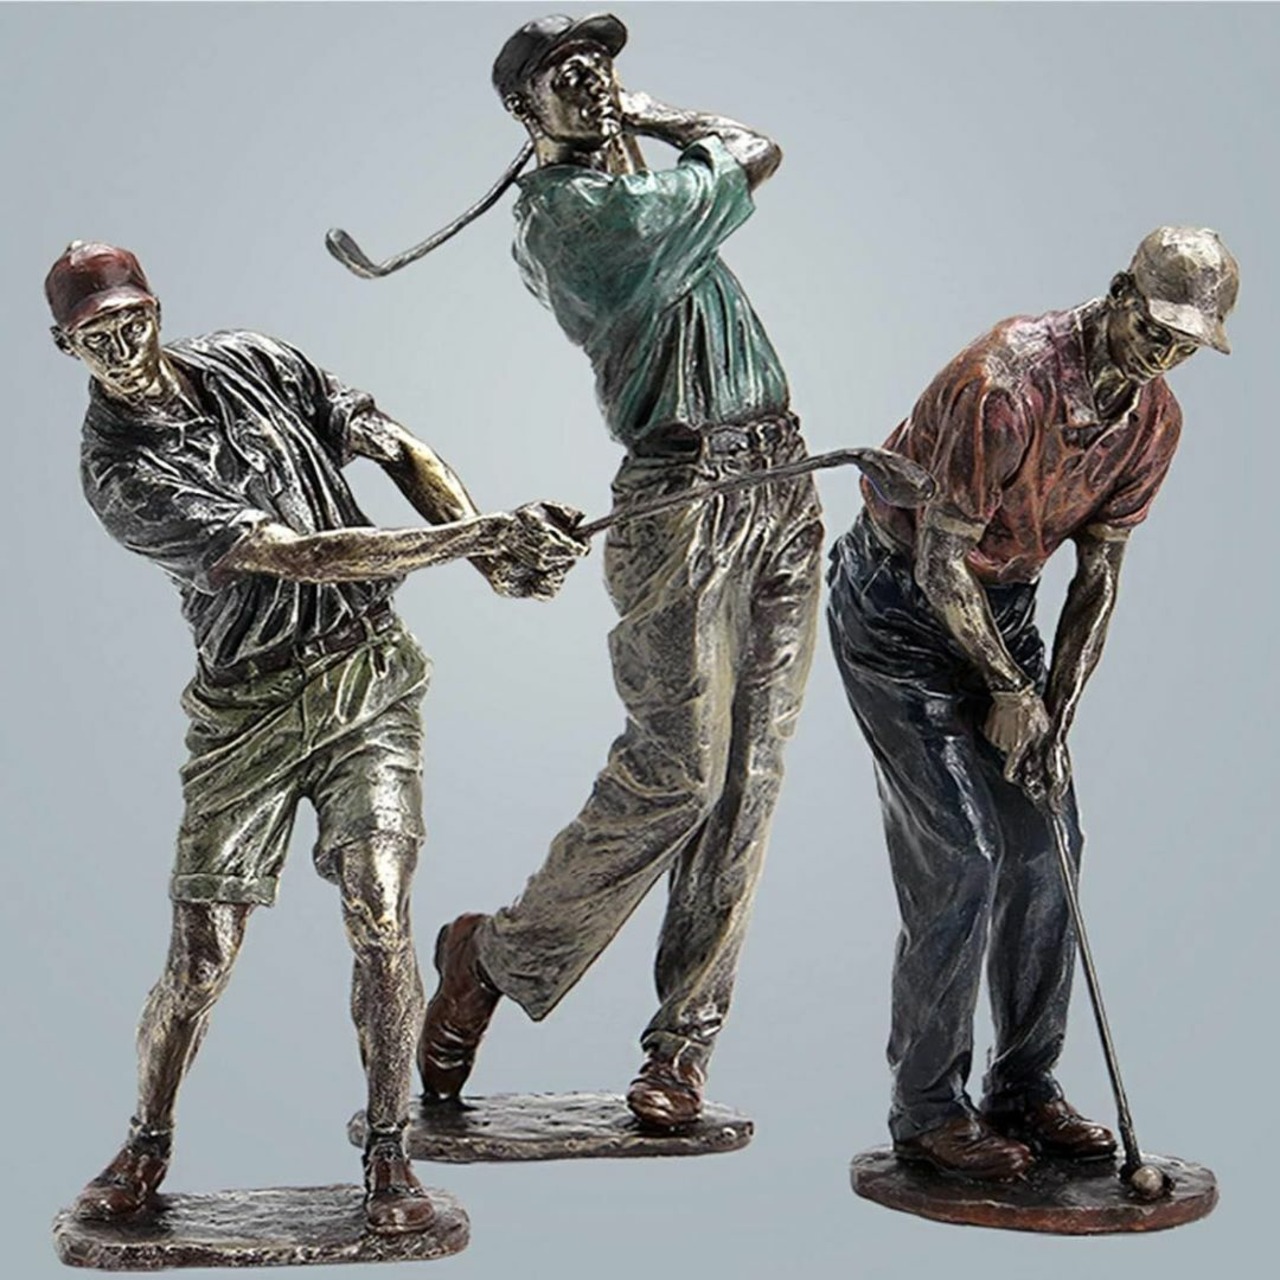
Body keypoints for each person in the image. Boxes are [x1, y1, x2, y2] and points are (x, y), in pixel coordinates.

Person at [47, 240, 587, 1231]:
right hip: (245, 713)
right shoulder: (118, 471)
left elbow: (395, 446)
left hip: (367, 680)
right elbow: (299, 556)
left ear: (155, 309)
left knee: (380, 912)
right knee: (201, 956)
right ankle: (146, 1140)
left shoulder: (256, 359)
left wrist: (489, 554)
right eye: (94, 335)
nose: (119, 345)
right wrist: (480, 537)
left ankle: (388, 1149)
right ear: (66, 347)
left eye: (129, 320)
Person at [418, 12, 825, 1130]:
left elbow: (733, 156)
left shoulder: (639, 184)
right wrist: (661, 118)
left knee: (747, 784)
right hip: (681, 495)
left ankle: (682, 1046)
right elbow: (756, 148)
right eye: (563, 73)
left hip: (785, 482)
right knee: (677, 774)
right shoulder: (569, 218)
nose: (593, 80)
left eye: (601, 63)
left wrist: (638, 121)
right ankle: (491, 954)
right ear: (524, 110)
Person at [825, 227, 1238, 1179]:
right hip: (897, 614)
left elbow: (1099, 574)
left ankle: (1024, 1088)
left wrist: (1056, 710)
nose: (1165, 353)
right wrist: (1011, 693)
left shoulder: (1154, 420)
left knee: (1051, 842)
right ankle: (928, 1111)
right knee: (962, 860)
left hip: (1003, 613)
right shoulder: (1005, 383)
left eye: (1185, 342)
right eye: (1155, 327)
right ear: (1119, 292)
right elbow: (938, 561)